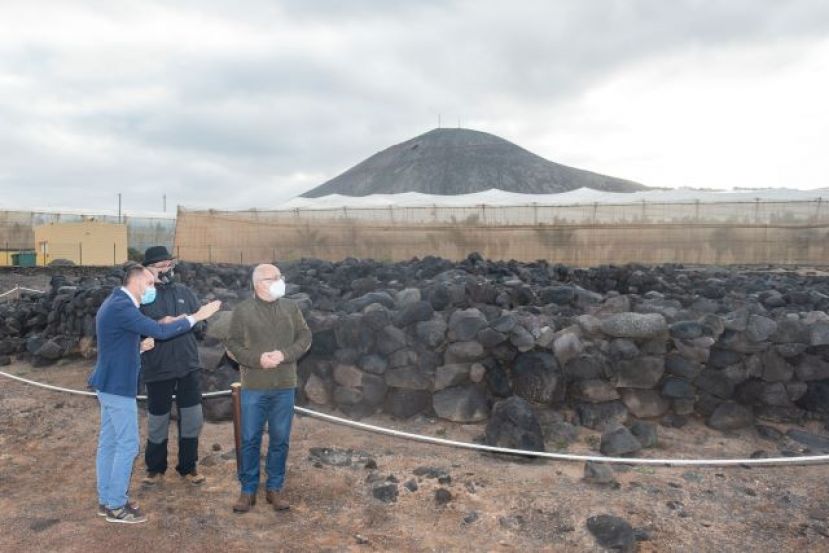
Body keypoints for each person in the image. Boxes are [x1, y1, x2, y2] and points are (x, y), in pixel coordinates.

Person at [88, 264, 221, 524]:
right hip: (117, 386)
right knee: (127, 445)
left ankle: (106, 500)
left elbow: (119, 339)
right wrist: (196, 316)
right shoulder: (123, 306)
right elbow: (159, 331)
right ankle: (116, 505)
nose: (153, 288)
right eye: (150, 283)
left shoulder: (115, 302)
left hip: (108, 382)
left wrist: (138, 346)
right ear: (137, 282)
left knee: (110, 443)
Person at [226, 263, 311, 513]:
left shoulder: (291, 307)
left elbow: (305, 338)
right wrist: (257, 360)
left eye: (280, 277)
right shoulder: (242, 311)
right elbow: (232, 345)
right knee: (250, 439)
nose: (279, 281)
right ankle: (248, 490)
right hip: (254, 386)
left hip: (284, 385)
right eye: (273, 278)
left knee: (280, 439)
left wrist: (284, 354)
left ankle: (274, 488)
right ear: (258, 283)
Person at [139, 246, 207, 486]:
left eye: (169, 265)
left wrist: (193, 323)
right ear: (147, 270)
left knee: (192, 418)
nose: (166, 270)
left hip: (188, 365)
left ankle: (189, 467)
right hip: (158, 367)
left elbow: (201, 325)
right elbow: (138, 329)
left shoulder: (185, 292)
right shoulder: (141, 296)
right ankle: (155, 468)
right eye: (160, 267)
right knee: (158, 419)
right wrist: (164, 324)